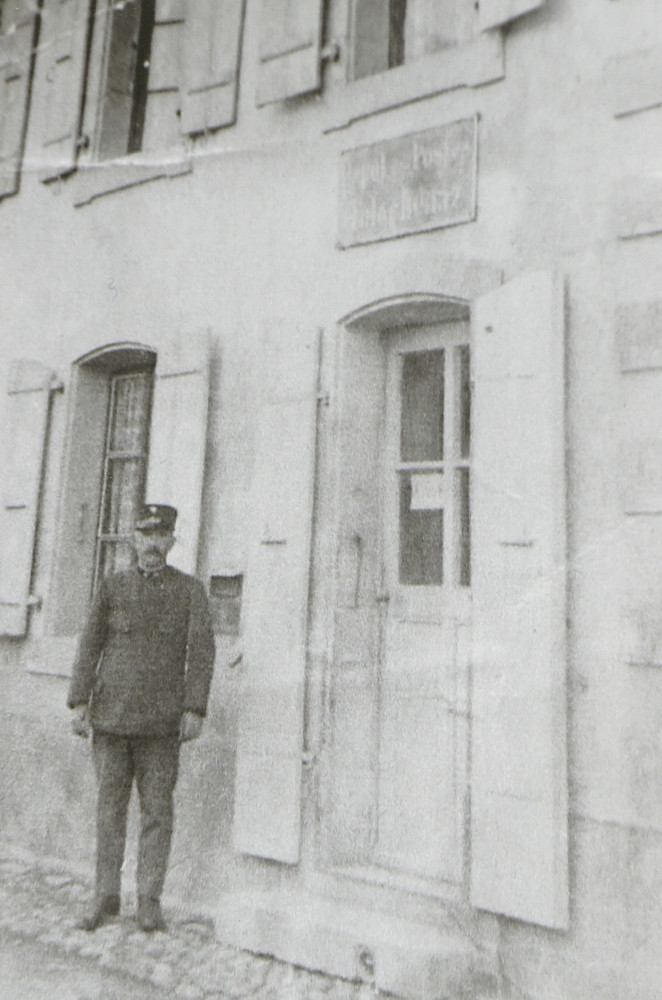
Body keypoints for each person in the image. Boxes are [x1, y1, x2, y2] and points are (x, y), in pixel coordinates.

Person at [67, 504, 216, 933]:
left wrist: (194, 708)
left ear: (172, 541)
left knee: (157, 813)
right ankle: (105, 895)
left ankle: (149, 901)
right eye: (145, 535)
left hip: (161, 726)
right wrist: (79, 701)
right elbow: (89, 644)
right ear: (134, 539)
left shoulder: (189, 591)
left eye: (160, 535)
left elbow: (201, 654)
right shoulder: (112, 587)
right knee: (109, 811)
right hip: (111, 719)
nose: (152, 544)